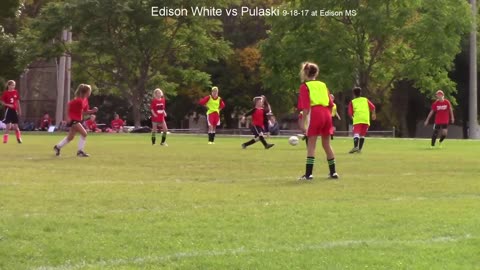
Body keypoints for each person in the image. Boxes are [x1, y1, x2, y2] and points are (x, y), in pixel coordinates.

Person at [297, 62, 338, 180]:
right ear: (317, 73)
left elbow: (306, 107)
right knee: (327, 145)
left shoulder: (305, 86)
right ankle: (333, 172)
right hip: (326, 114)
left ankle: (308, 174)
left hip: (315, 114)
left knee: (311, 145)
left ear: (305, 73)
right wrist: (328, 118)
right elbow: (331, 104)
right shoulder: (323, 85)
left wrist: (303, 123)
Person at [53, 83, 98, 157]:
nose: (90, 92)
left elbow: (85, 111)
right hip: (73, 119)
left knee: (70, 137)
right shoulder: (78, 100)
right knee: (84, 133)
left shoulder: (85, 100)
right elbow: (69, 106)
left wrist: (92, 111)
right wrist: (67, 117)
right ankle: (80, 152)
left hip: (77, 119)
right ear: (86, 92)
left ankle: (57, 147)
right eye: (89, 91)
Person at [348, 87, 376, 153]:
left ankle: (355, 147)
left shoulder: (352, 102)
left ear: (354, 94)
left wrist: (352, 117)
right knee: (362, 135)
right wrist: (373, 114)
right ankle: (359, 149)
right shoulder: (365, 100)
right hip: (366, 119)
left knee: (356, 133)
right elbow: (373, 107)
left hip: (358, 119)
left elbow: (350, 112)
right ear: (360, 93)